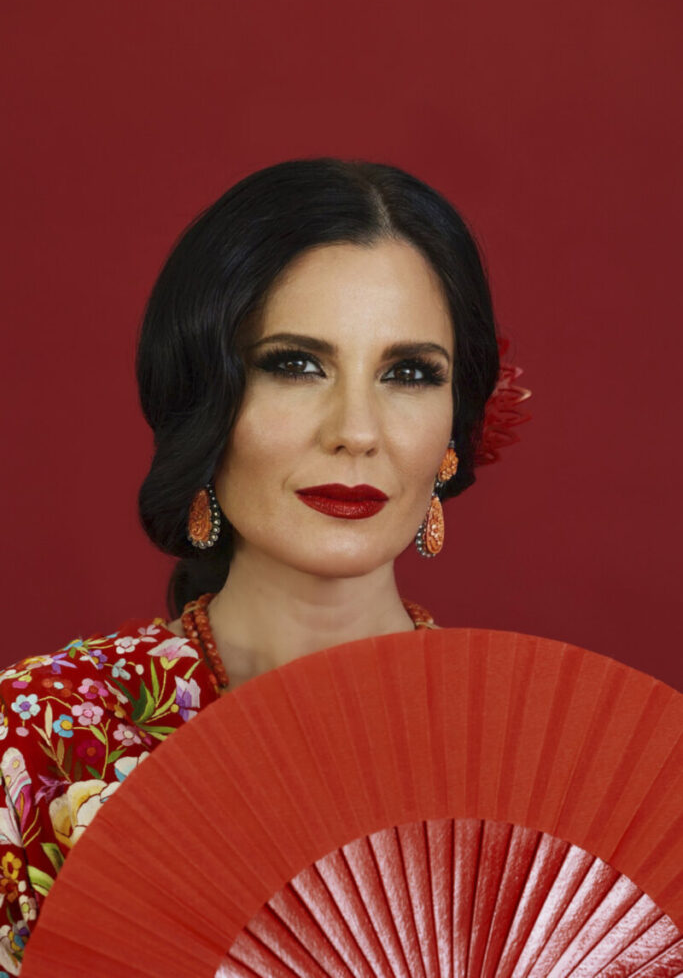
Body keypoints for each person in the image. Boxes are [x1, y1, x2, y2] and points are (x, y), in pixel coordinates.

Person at [0, 156, 529, 973]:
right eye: (295, 364)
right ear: (207, 402)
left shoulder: (537, 757)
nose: (356, 430)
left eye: (408, 373)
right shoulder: (43, 741)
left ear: (452, 435)